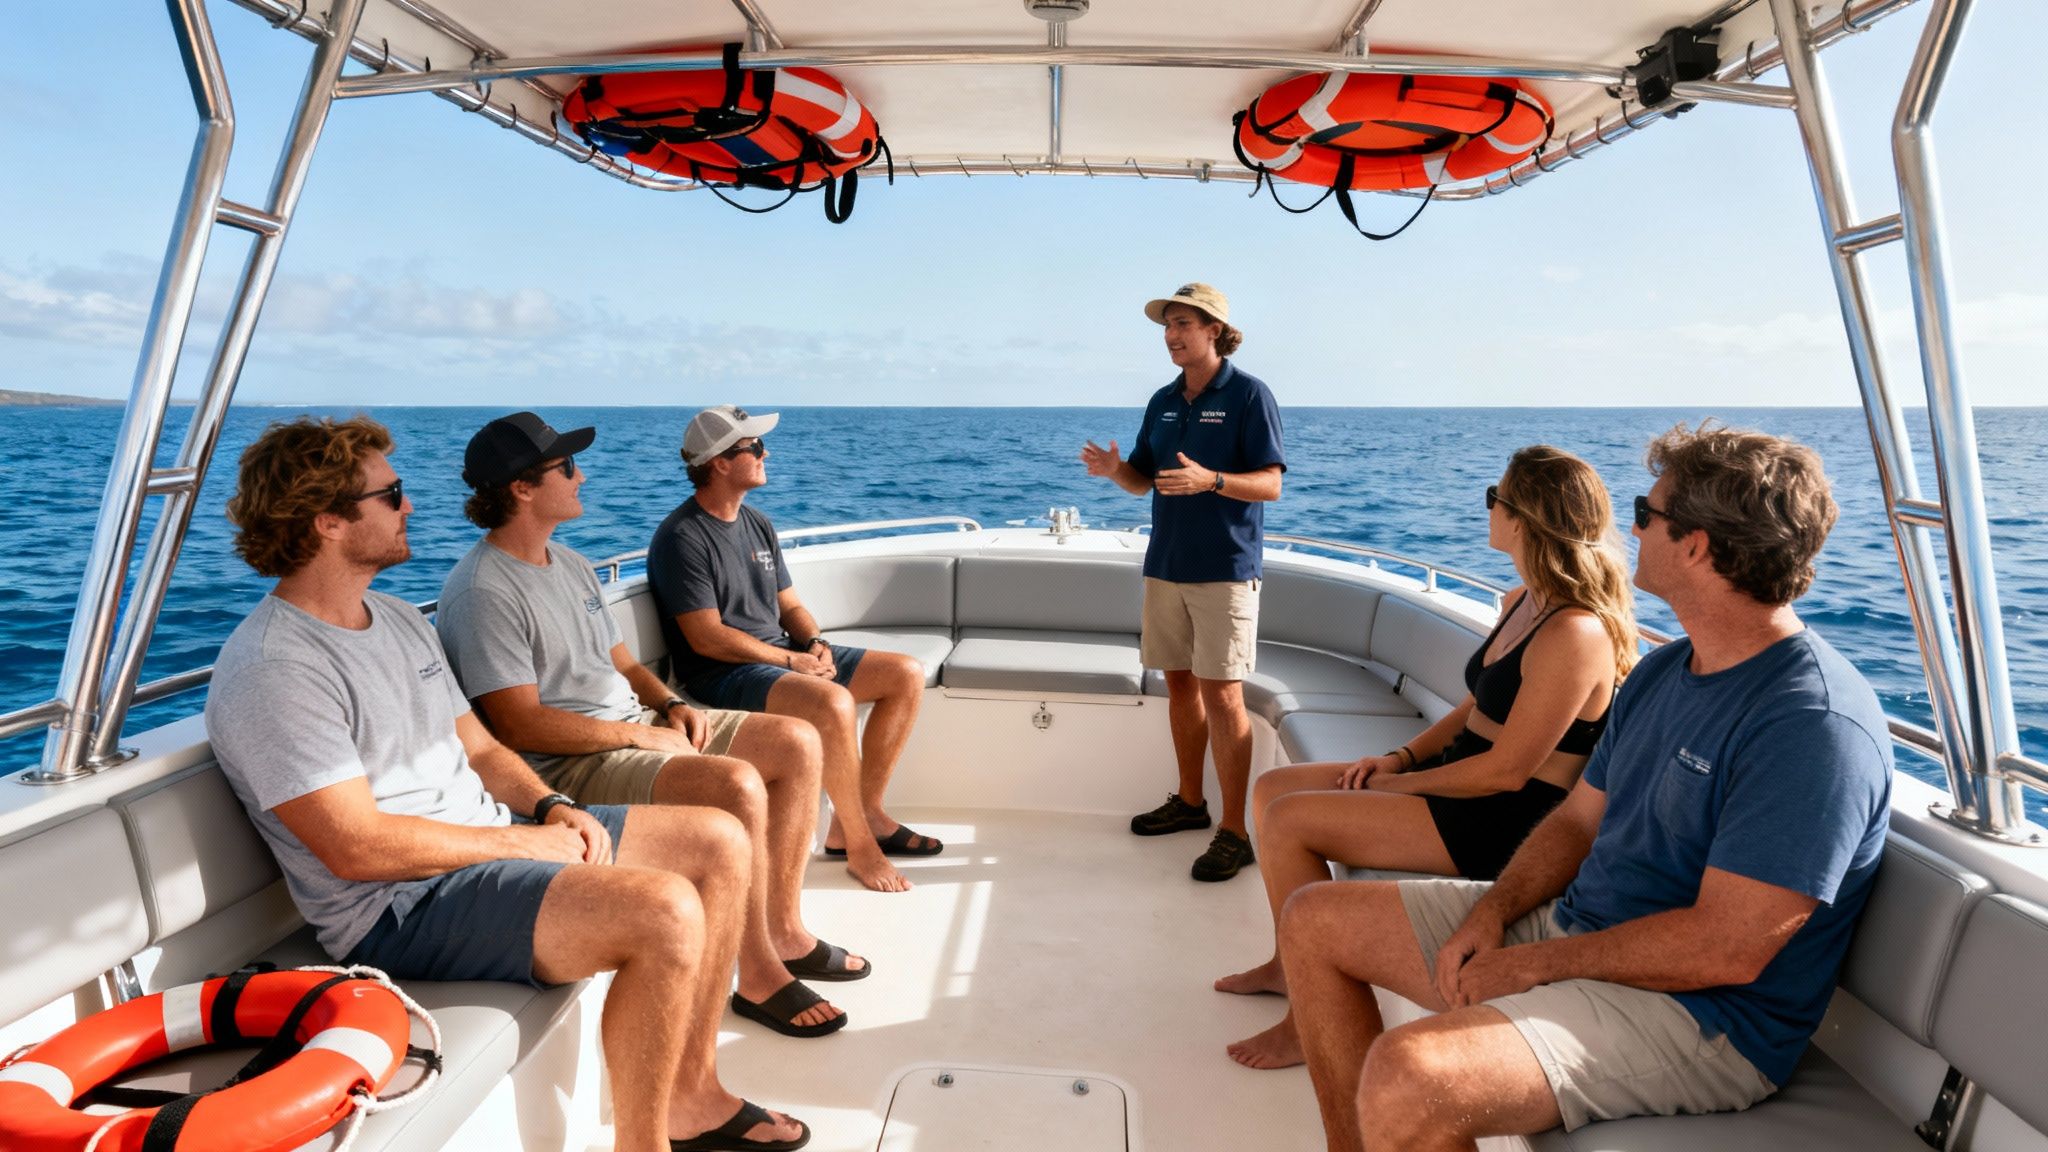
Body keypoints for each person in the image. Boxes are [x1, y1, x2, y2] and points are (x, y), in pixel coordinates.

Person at [1280, 422, 1891, 1152]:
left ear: (1695, 545)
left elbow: (1724, 949)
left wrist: (1532, 964)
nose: (1629, 528)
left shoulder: (1810, 725)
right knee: (1315, 920)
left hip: (1704, 1016)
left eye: (1646, 512)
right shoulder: (1669, 671)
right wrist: (1493, 914)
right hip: (1582, 928)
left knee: (1415, 1073)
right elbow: (1576, 821)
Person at [203, 416, 808, 1152]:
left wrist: (551, 806)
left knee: (718, 839)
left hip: (487, 846)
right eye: (391, 494)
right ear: (327, 521)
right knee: (663, 909)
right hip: (399, 907)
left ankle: (692, 1094)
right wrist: (528, 841)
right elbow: (356, 848)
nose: (412, 506)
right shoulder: (276, 669)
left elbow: (481, 747)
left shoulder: (393, 617)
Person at [436, 412, 866, 1041]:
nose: (581, 475)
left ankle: (782, 930)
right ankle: (759, 973)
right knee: (738, 785)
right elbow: (519, 724)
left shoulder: (571, 564)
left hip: (635, 725)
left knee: (797, 741)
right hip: (568, 761)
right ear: (522, 488)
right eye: (565, 467)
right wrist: (639, 735)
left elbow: (623, 662)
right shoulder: (483, 591)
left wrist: (668, 706)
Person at [1218, 445, 1637, 1069]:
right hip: (1464, 783)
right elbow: (1477, 708)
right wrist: (1399, 759)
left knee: (1289, 820)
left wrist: (1394, 790)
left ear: (1521, 519)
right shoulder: (1525, 600)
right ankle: (1290, 965)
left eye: (1494, 499)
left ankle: (1310, 1020)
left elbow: (1508, 771)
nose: (1488, 509)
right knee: (1272, 789)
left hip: (1508, 819)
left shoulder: (1574, 633)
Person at [648, 405, 936, 894]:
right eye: (754, 447)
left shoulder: (756, 523)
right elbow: (706, 637)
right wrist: (789, 661)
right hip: (723, 674)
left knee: (904, 673)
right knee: (831, 701)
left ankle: (860, 817)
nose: (766, 453)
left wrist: (814, 643)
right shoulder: (682, 537)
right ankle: (860, 848)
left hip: (781, 655)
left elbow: (791, 606)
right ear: (719, 462)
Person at [1081, 282, 1285, 881]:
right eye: (1166, 326)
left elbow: (1271, 483)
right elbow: (1144, 480)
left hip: (1224, 569)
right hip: (1165, 564)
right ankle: (1191, 805)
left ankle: (1236, 831)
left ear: (1214, 330)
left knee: (1223, 695)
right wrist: (1117, 470)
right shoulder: (1163, 400)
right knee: (1179, 687)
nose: (1171, 336)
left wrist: (1212, 481)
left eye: (1183, 325)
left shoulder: (1250, 395)